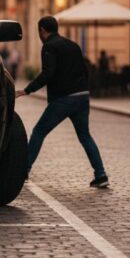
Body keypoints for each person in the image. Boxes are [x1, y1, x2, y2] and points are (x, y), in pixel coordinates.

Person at [16, 16, 109, 188]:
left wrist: (27, 90)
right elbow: (84, 70)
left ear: (43, 30)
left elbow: (47, 73)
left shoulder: (49, 47)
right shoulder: (73, 45)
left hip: (64, 99)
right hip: (82, 96)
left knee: (39, 131)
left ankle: (23, 170)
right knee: (85, 135)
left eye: (39, 32)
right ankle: (101, 174)